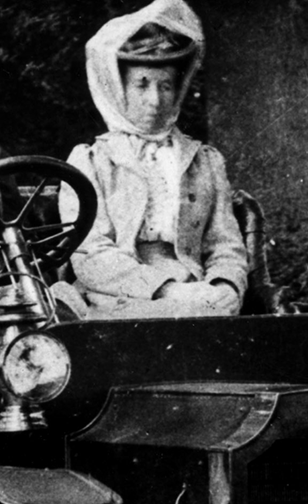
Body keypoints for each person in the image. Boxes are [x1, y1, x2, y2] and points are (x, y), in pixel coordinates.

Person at [59, 0, 249, 320]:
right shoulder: (91, 161)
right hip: (115, 297)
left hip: (197, 291)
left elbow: (225, 246)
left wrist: (225, 287)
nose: (155, 100)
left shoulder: (205, 161)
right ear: (119, 89)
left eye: (166, 86)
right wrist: (167, 289)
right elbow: (91, 253)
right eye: (142, 85)